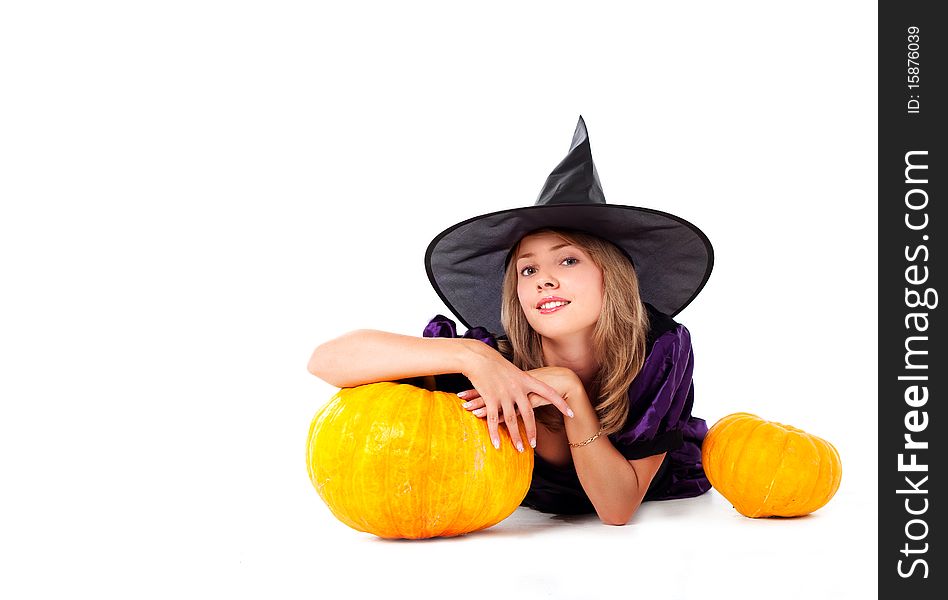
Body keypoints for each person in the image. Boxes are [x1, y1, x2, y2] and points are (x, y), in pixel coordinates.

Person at [308, 117, 714, 525]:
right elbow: (326, 361)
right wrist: (469, 355)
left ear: (611, 276)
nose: (545, 280)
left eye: (568, 260)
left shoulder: (658, 351)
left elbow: (616, 510)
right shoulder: (495, 360)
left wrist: (569, 391)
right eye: (528, 270)